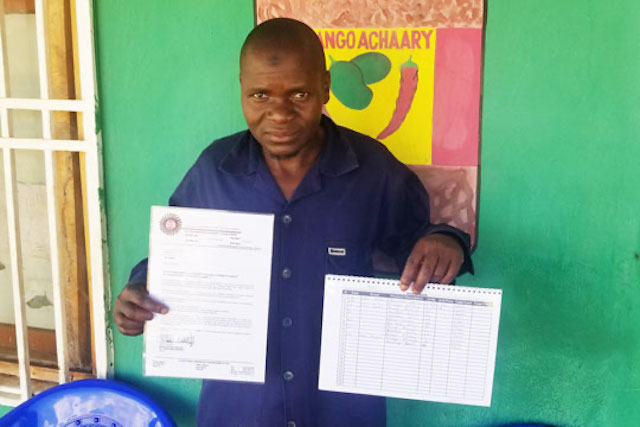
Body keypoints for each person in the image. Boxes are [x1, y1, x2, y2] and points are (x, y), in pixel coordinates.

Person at [113, 17, 473, 427]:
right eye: (260, 94)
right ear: (242, 90)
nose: (278, 113)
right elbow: (171, 259)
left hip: (341, 411)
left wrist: (447, 242)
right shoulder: (216, 170)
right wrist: (140, 290)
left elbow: (417, 246)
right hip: (240, 410)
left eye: (299, 93)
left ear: (324, 87)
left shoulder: (373, 170)